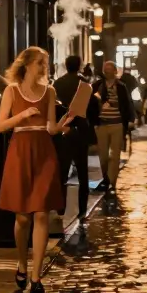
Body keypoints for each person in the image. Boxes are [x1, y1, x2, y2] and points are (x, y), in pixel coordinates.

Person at [0, 47, 73, 293]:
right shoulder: (11, 90)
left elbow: (50, 128)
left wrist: (63, 127)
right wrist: (23, 114)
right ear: (26, 64)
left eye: (46, 63)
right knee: (22, 218)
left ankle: (37, 276)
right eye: (40, 63)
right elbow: (0, 126)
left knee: (41, 214)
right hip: (20, 151)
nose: (44, 67)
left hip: (44, 152)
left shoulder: (49, 91)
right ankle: (21, 262)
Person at [53, 55, 94, 219]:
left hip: (63, 129)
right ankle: (82, 210)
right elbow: (91, 109)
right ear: (79, 66)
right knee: (83, 172)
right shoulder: (84, 84)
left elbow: (54, 107)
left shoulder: (57, 83)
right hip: (81, 131)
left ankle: (60, 208)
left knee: (61, 171)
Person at [91, 61, 135, 192]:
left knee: (115, 156)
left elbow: (127, 104)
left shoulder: (121, 87)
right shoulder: (97, 86)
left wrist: (130, 121)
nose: (108, 72)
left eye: (110, 69)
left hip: (117, 124)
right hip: (102, 125)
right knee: (103, 156)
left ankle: (112, 183)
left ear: (115, 71)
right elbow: (91, 104)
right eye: (106, 69)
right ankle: (106, 178)